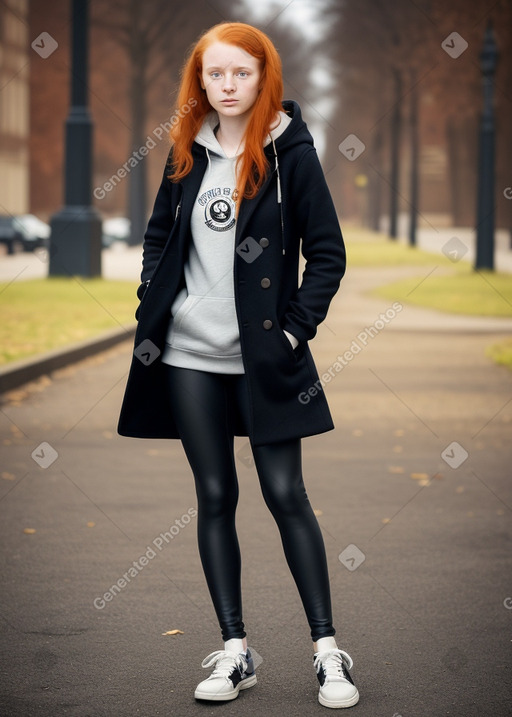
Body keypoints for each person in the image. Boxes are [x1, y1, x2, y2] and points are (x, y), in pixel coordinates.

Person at [118, 21, 359, 710]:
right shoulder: (184, 150)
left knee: (286, 495)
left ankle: (326, 651)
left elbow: (329, 254)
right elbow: (160, 235)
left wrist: (290, 334)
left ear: (263, 78)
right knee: (215, 497)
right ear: (201, 80)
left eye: (239, 74)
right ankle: (235, 650)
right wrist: (150, 302)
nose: (225, 86)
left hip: (265, 360)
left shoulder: (291, 154)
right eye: (213, 74)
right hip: (190, 356)